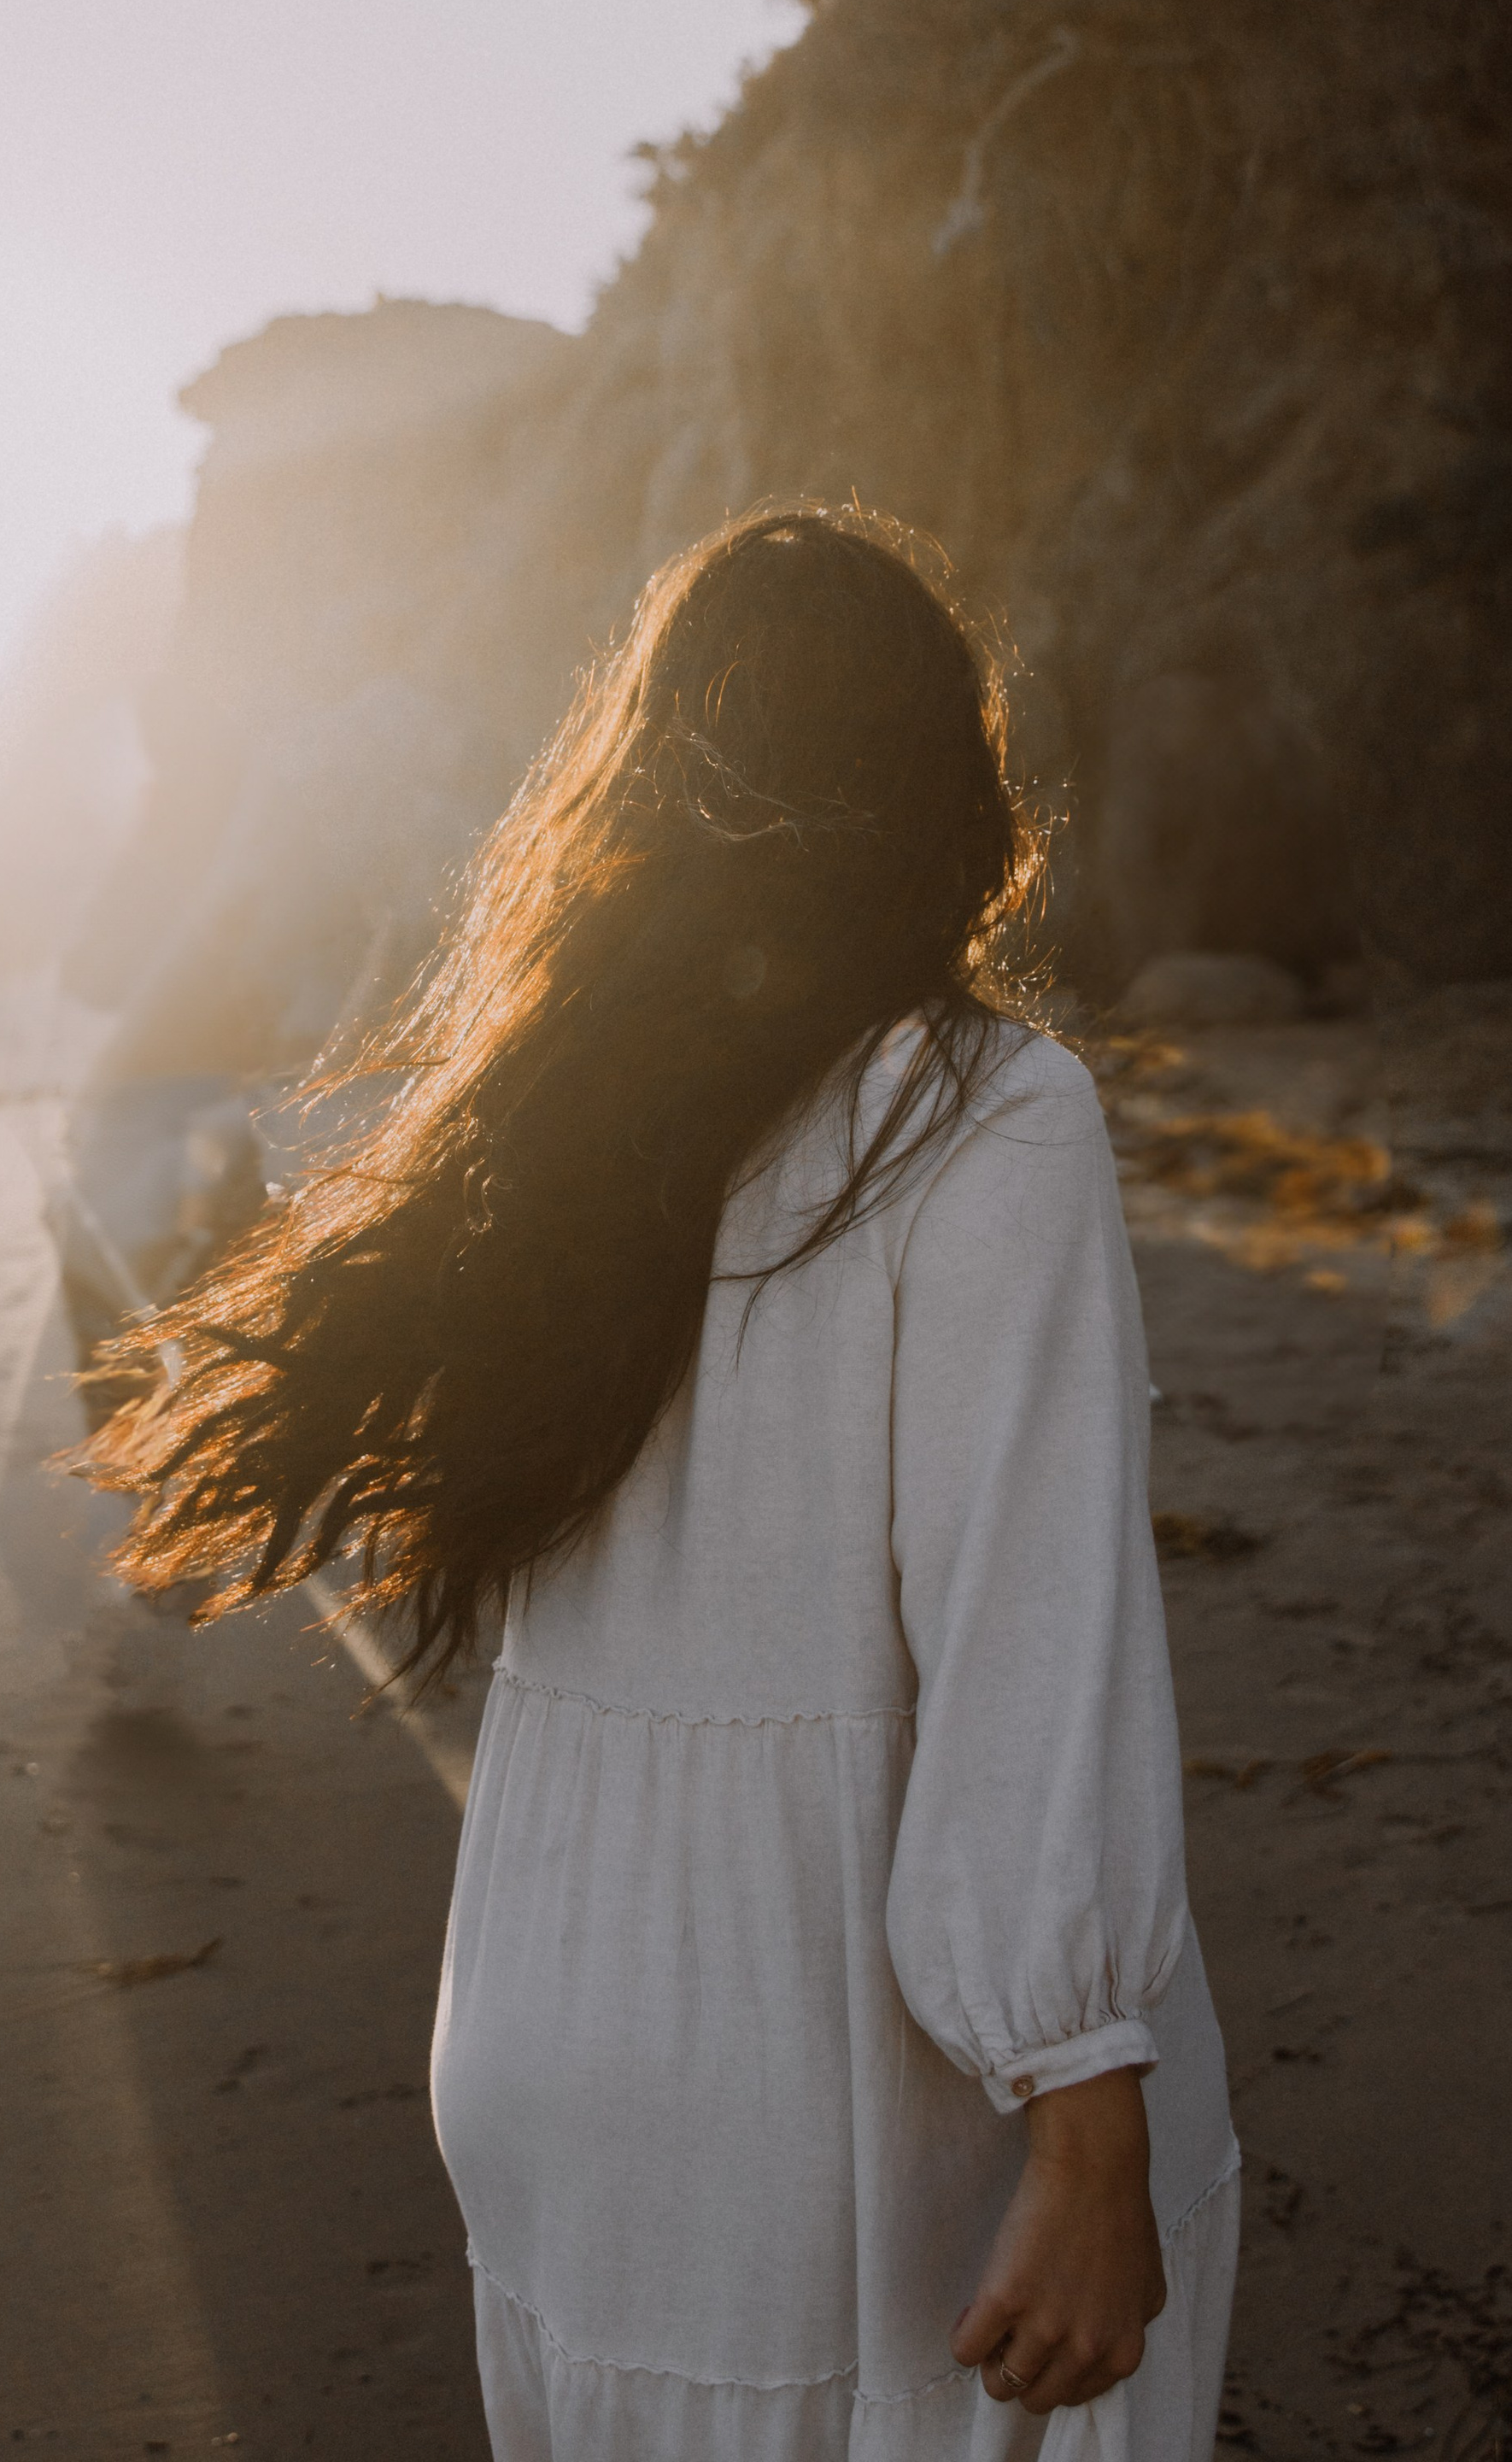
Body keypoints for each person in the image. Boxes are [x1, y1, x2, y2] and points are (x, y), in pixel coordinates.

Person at [91, 507, 1238, 2462]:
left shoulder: (549, 1106)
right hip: (842, 2092)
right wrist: (1086, 2101)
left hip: (552, 2032)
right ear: (940, 770)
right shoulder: (982, 1112)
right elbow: (1024, 1635)